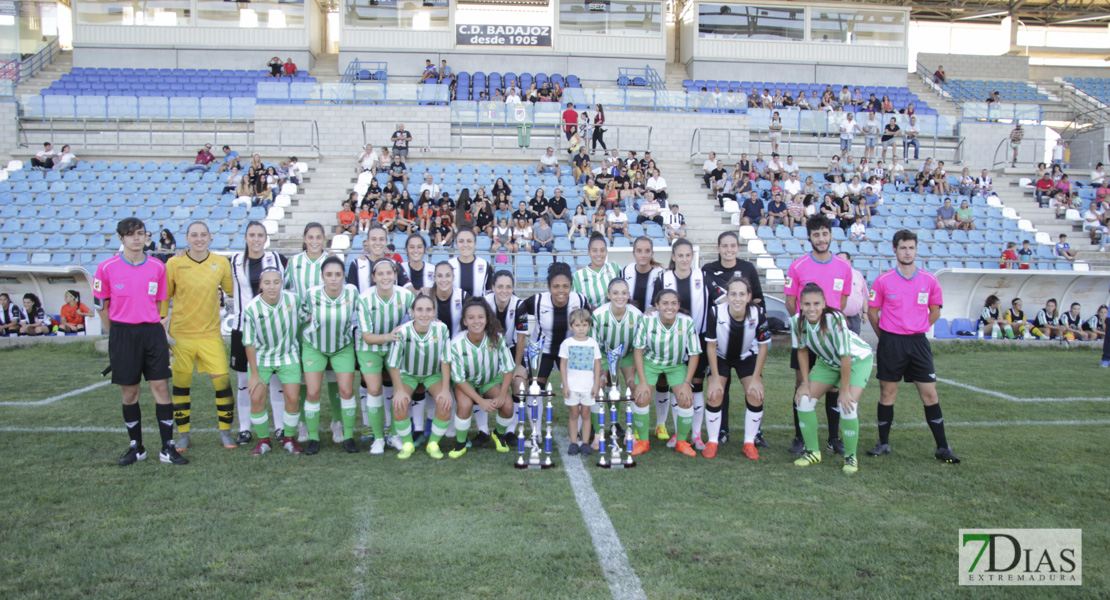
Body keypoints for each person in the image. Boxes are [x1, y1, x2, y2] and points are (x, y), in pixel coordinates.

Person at [93, 218, 186, 466]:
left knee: (161, 388)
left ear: (146, 237)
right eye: (131, 234)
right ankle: (136, 446)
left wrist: (149, 323)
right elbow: (101, 304)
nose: (136, 238)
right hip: (123, 334)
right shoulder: (106, 267)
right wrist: (115, 330)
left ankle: (168, 446)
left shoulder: (157, 266)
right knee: (130, 391)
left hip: (152, 333)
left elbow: (158, 302)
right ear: (121, 238)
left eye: (141, 234)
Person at [865, 230, 960, 462]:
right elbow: (872, 312)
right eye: (903, 247)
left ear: (916, 250)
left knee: (930, 394)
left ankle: (943, 447)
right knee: (888, 392)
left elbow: (935, 310)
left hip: (918, 343)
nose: (907, 252)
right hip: (891, 342)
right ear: (895, 250)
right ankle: (883, 443)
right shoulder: (884, 280)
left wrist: (918, 327)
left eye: (911, 247)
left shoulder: (929, 280)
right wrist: (886, 337)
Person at [162, 222, 237, 451]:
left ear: (210, 237)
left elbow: (235, 291)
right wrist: (161, 323)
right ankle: (183, 435)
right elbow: (164, 297)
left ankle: (225, 433)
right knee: (181, 386)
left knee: (223, 383)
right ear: (187, 238)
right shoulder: (174, 263)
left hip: (210, 334)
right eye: (194, 235)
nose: (199, 239)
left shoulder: (220, 262)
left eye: (203, 234)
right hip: (181, 335)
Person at [784, 215, 852, 456]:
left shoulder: (844, 267)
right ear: (809, 237)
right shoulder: (798, 266)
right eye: (816, 234)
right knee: (801, 383)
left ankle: (834, 438)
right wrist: (806, 327)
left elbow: (841, 302)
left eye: (825, 233)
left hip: (832, 340)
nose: (821, 239)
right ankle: (800, 437)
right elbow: (791, 300)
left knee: (833, 387)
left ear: (831, 235)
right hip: (806, 337)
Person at [790, 283, 870, 474]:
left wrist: (843, 392)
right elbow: (802, 351)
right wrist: (805, 383)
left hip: (857, 360)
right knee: (803, 400)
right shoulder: (796, 321)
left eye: (816, 303)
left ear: (824, 303)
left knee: (847, 404)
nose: (812, 308)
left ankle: (850, 456)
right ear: (800, 304)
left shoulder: (835, 319)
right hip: (827, 362)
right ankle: (813, 451)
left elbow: (846, 357)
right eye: (807, 304)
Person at [229, 221, 288, 446]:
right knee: (244, 380)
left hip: (272, 328)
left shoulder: (278, 259)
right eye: (252, 235)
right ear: (245, 238)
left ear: (265, 238)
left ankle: (280, 427)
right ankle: (244, 428)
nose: (256, 239)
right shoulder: (234, 261)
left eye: (260, 235)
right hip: (243, 327)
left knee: (274, 378)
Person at [652, 239, 710, 450]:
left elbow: (717, 301)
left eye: (688, 255)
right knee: (675, 384)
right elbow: (654, 306)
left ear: (691, 257)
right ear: (673, 257)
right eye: (680, 255)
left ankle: (696, 434)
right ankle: (678, 433)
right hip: (671, 340)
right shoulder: (663, 278)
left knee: (695, 385)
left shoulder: (702, 276)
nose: (684, 259)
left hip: (698, 338)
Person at [704, 274, 770, 460]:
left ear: (749, 296)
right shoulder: (716, 312)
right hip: (721, 357)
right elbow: (711, 346)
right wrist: (715, 378)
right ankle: (713, 441)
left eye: (742, 294)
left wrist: (756, 378)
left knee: (755, 394)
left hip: (746, 357)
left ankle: (749, 443)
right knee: (715, 393)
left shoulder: (757, 313)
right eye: (733, 294)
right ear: (728, 295)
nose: (737, 298)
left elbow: (763, 347)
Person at [299, 257, 360, 455]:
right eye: (329, 274)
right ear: (322, 276)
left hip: (342, 347)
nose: (333, 279)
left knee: (346, 391)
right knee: (313, 392)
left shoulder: (352, 292)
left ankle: (348, 436)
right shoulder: (312, 294)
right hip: (314, 346)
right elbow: (302, 314)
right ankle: (314, 438)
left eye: (338, 274)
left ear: (344, 276)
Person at [631, 289, 702, 457]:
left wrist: (686, 383)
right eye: (665, 303)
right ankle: (642, 441)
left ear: (679, 305)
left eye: (673, 303)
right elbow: (638, 351)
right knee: (641, 397)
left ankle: (682, 442)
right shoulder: (647, 321)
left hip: (676, 365)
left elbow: (694, 354)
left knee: (685, 399)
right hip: (650, 363)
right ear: (657, 305)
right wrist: (642, 381)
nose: (669, 307)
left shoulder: (687, 322)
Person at [241, 268, 304, 456]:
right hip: (262, 357)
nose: (272, 286)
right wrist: (253, 374)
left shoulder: (293, 300)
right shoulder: (252, 308)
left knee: (292, 399)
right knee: (256, 398)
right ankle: (263, 441)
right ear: (260, 285)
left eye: (276, 282)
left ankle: (289, 439)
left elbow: (305, 318)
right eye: (267, 282)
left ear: (281, 283)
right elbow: (249, 343)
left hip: (288, 355)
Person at [355, 258, 414, 456]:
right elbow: (367, 337)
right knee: (373, 389)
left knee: (401, 387)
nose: (385, 277)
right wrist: (389, 336)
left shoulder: (405, 296)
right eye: (380, 274)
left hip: (393, 344)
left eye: (389, 273)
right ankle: (379, 438)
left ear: (395, 275)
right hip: (369, 347)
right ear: (373, 277)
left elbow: (419, 318)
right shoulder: (364, 299)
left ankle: (394, 435)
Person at [448, 298, 519, 459]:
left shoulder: (497, 339)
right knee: (465, 405)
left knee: (507, 405)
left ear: (487, 319)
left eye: (480, 317)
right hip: (467, 382)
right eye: (471, 318)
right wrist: (481, 401)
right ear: (465, 321)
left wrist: (501, 395)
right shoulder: (456, 344)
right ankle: (460, 444)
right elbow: (459, 379)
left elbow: (508, 368)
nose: (476, 321)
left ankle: (499, 435)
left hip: (490, 380)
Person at [386, 294, 452, 460]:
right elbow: (393, 364)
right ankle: (407, 444)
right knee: (399, 403)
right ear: (412, 312)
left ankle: (433, 444)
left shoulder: (442, 329)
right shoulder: (403, 331)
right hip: (408, 374)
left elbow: (445, 360)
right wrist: (399, 389)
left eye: (428, 309)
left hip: (432, 374)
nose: (424, 314)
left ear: (434, 312)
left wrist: (445, 390)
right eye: (419, 309)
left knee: (445, 403)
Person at [518, 263, 589, 390]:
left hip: (570, 350)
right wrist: (521, 328)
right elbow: (519, 309)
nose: (561, 290)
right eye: (556, 286)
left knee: (576, 387)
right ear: (549, 288)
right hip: (542, 350)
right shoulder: (538, 301)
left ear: (571, 287)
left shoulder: (579, 300)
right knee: (535, 388)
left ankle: (576, 410)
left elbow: (590, 317)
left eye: (565, 286)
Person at [559, 309, 602, 456]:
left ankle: (585, 443)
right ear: (571, 326)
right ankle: (573, 442)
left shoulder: (593, 344)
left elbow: (597, 365)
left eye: (584, 325)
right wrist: (565, 385)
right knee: (573, 414)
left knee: (586, 414)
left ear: (589, 326)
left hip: (587, 387)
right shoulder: (567, 343)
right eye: (577, 325)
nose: (581, 328)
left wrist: (596, 385)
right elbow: (563, 365)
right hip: (572, 386)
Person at [571, 234, 622, 309]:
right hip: (590, 319)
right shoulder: (578, 275)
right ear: (589, 252)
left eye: (602, 250)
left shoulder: (614, 268)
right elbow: (575, 303)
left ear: (606, 251)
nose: (599, 254)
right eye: (594, 250)